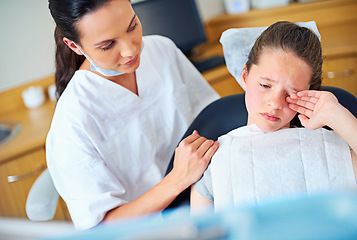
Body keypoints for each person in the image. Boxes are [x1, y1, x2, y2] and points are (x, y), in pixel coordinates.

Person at [46, 0, 220, 230]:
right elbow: (102, 228)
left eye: (132, 26)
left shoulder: (161, 50)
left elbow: (215, 117)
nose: (131, 50)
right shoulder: (72, 122)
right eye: (107, 45)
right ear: (75, 46)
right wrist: (178, 178)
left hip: (211, 200)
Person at [191, 21, 357, 212]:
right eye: (265, 85)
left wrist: (334, 113)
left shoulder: (329, 151)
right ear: (245, 75)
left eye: (291, 93)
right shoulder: (218, 164)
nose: (276, 103)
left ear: (309, 93)